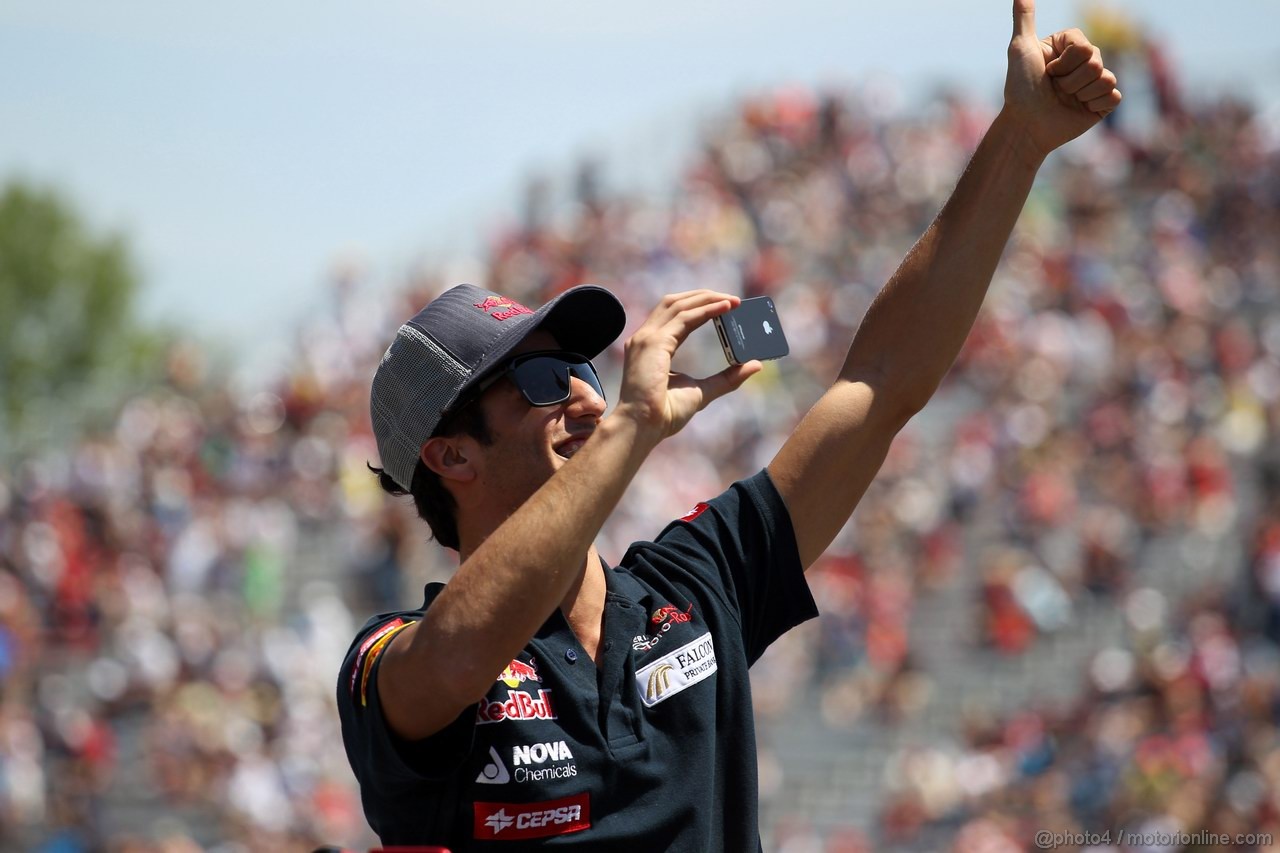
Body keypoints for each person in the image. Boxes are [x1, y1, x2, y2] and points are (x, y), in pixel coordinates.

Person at [336, 1, 1122, 848]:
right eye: (537, 379)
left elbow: (881, 383)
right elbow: (459, 656)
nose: (586, 398)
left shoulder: (693, 584)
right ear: (450, 453)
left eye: (583, 369)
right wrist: (638, 423)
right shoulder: (390, 658)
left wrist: (1020, 142)